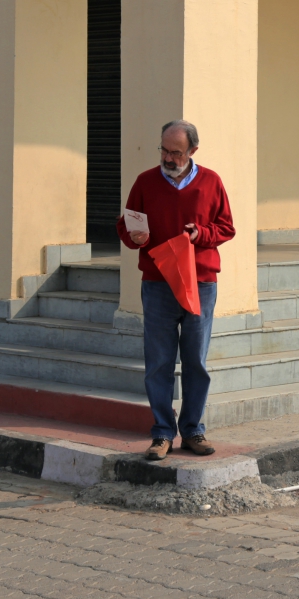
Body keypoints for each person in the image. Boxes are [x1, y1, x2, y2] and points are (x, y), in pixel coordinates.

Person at [116, 119, 235, 461]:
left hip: (200, 283)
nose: (168, 158)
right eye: (164, 151)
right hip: (157, 285)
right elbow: (126, 226)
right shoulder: (145, 182)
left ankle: (194, 431)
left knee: (196, 360)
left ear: (192, 151)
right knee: (159, 362)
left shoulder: (211, 182)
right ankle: (162, 434)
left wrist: (201, 234)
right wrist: (134, 236)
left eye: (176, 152)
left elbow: (226, 227)